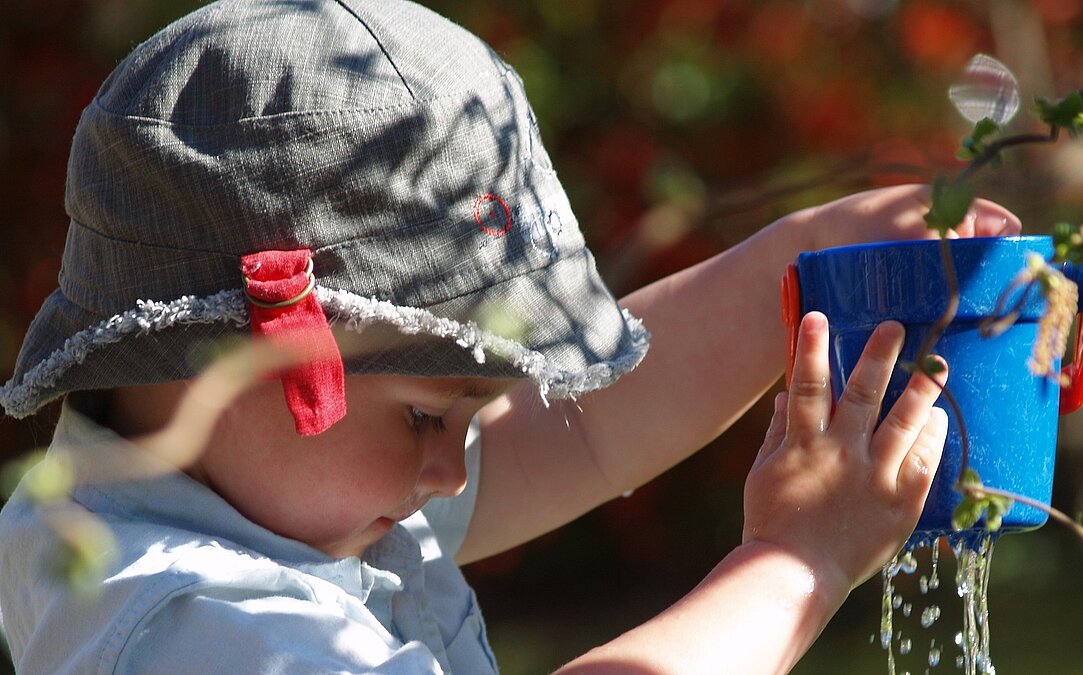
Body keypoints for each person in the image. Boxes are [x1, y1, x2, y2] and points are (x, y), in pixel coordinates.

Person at [0, 0, 1020, 673]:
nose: (451, 471)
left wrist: (796, 263)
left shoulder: (258, 503)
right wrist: (801, 561)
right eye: (428, 420)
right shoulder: (192, 625)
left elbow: (585, 435)